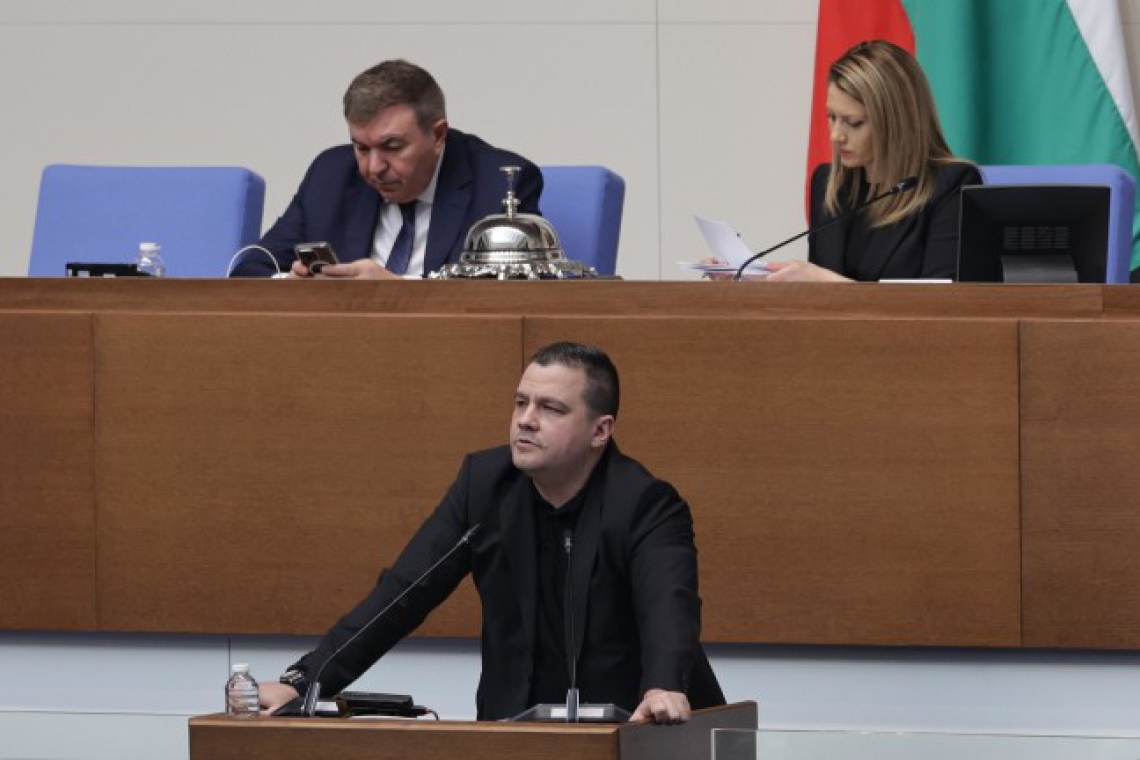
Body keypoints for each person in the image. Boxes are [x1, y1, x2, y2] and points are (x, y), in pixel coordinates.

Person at [258, 342, 724, 723]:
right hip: (513, 732)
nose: (526, 419)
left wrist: (663, 686)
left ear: (600, 431)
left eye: (551, 408)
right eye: (521, 402)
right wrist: (305, 680)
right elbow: (403, 593)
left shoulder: (645, 503)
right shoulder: (484, 486)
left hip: (632, 729)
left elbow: (670, 606)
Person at [231, 60, 543, 279]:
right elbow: (251, 269)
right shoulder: (331, 174)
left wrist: (396, 292)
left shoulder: (500, 183)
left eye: (392, 147)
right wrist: (291, 285)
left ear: (437, 136)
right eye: (361, 148)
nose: (373, 168)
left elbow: (513, 294)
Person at [719, 40, 981, 282]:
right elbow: (818, 303)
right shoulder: (827, 184)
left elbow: (941, 303)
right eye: (831, 117)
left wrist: (823, 282)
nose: (836, 136)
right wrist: (754, 279)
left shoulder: (952, 185)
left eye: (854, 123)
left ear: (897, 123)